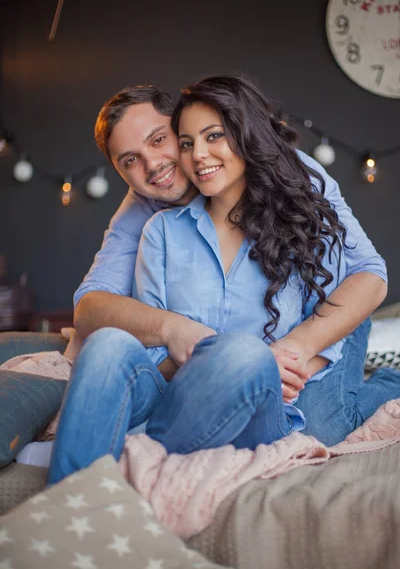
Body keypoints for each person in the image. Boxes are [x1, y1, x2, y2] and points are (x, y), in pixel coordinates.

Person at [47, 74, 400, 486]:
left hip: (334, 312)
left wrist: (294, 351)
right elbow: (91, 307)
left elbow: (368, 275)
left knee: (319, 419)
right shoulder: (152, 223)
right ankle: (70, 504)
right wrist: (180, 334)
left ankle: (149, 471)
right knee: (110, 341)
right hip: (191, 380)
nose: (154, 165)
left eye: (160, 140)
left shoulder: (294, 185)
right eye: (129, 160)